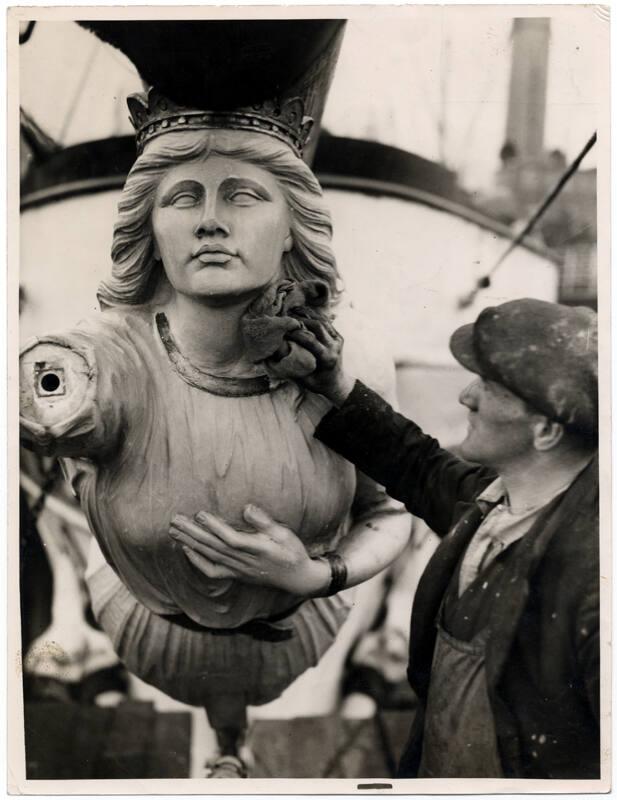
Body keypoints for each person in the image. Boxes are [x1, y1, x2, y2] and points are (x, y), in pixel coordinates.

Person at [19, 85, 411, 776]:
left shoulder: (341, 365)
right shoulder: (112, 354)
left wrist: (319, 573)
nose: (210, 223)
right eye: (182, 199)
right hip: (148, 628)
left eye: (241, 196)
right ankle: (229, 744)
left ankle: (229, 744)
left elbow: (388, 511)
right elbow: (65, 385)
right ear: (150, 225)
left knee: (234, 710)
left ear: (293, 224)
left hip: (299, 630)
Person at [190, 298, 599, 779]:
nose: (466, 396)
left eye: (488, 386)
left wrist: (314, 573)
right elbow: (416, 464)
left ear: (546, 429)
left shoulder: (593, 579)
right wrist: (332, 382)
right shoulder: (495, 503)